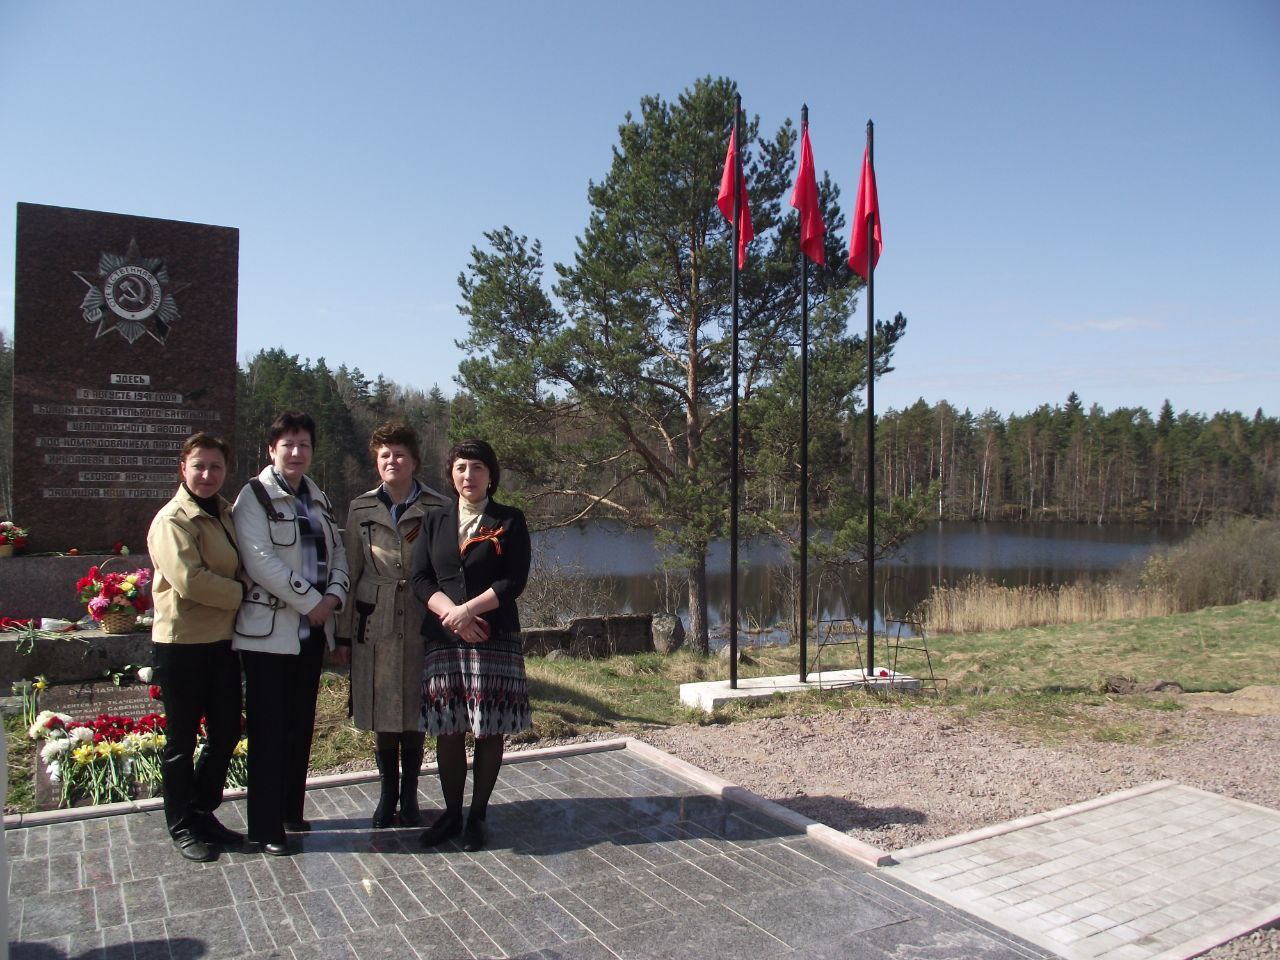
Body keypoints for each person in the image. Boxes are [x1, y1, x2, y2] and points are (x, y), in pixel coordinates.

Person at [233, 411, 349, 856]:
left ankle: (289, 809)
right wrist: (311, 601)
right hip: (270, 634)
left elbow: (336, 553)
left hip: (312, 633)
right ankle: (264, 827)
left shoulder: (318, 498)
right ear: (271, 449)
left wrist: (334, 598)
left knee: (300, 725)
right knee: (268, 729)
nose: (297, 452)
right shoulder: (253, 497)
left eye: (304, 445)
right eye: (288, 445)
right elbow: (261, 561)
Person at [412, 438, 531, 852]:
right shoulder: (434, 520)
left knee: (488, 727)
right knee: (449, 727)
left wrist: (470, 611)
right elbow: (421, 578)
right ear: (451, 473)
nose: (469, 475)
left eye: (477, 467)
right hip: (446, 638)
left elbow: (513, 580)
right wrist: (452, 615)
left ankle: (477, 815)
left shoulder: (510, 519)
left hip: (492, 634)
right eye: (461, 467)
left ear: (491, 475)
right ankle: (450, 813)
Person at [337, 422, 448, 827]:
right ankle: (386, 796)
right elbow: (349, 570)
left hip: (421, 620)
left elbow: (446, 569)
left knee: (415, 711)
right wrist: (344, 632)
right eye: (384, 455)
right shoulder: (360, 508)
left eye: (399, 454)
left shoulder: (438, 506)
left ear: (414, 461)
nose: (392, 461)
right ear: (376, 461)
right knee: (383, 710)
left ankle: (412, 796)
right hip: (375, 620)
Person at [146, 432, 248, 862]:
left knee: (226, 730)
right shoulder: (172, 519)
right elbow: (189, 581)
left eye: (216, 467)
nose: (207, 475)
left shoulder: (225, 511)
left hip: (223, 641)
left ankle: (203, 810)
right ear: (182, 469)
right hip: (182, 643)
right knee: (182, 738)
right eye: (199, 466)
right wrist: (242, 592)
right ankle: (181, 823)